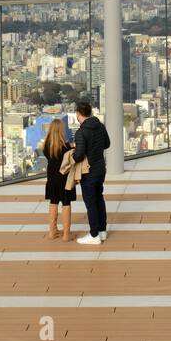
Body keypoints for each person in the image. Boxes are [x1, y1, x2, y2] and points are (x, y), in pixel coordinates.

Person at [72, 102, 111, 245]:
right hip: (100, 168)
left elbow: (79, 156)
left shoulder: (81, 132)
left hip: (88, 171)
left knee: (90, 203)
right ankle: (102, 231)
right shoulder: (100, 126)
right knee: (99, 199)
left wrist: (72, 154)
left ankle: (94, 235)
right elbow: (107, 144)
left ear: (78, 114)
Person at [41, 117, 76, 241]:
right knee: (66, 203)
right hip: (65, 178)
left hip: (52, 178)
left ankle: (52, 231)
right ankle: (66, 234)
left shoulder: (46, 146)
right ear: (61, 130)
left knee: (53, 202)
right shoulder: (66, 147)